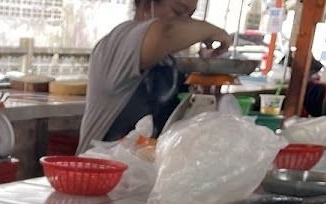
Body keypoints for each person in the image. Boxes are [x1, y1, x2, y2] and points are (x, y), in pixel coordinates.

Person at [77, 0, 233, 153]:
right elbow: (166, 32)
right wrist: (211, 30)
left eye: (190, 16)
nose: (187, 23)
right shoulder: (121, 40)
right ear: (146, 4)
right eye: (178, 12)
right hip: (102, 166)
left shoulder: (172, 58)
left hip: (149, 165)